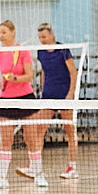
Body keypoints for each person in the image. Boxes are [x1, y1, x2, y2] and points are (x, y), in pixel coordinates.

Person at [0, 21, 42, 190]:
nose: (1, 36)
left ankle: (38, 174)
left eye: (4, 32)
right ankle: (2, 178)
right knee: (6, 139)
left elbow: (29, 75)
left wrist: (15, 79)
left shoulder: (23, 51)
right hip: (6, 99)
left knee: (30, 138)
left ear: (13, 32)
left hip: (25, 97)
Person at [33, 24, 78, 180]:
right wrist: (42, 91)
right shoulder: (41, 52)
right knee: (39, 130)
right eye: (40, 38)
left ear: (52, 35)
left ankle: (72, 166)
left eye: (44, 37)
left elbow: (73, 72)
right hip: (48, 95)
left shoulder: (63, 50)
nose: (42, 40)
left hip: (64, 95)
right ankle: (36, 168)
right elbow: (44, 71)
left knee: (69, 131)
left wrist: (71, 93)